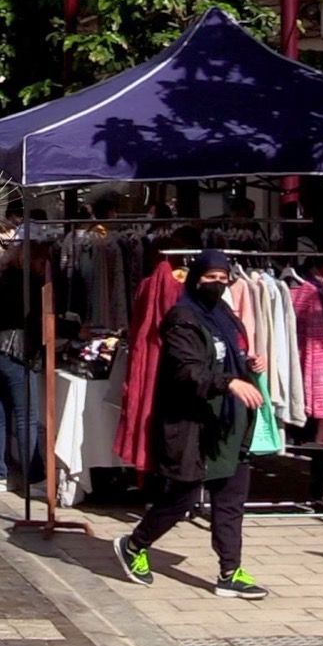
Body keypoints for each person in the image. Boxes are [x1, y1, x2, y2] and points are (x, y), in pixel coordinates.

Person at [114, 249, 269, 600]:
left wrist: (248, 364)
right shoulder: (182, 319)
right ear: (195, 277)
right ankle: (135, 545)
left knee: (230, 502)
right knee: (180, 499)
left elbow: (231, 353)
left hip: (229, 425)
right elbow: (186, 370)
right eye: (209, 277)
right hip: (193, 426)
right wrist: (227, 382)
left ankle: (230, 571)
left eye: (222, 278)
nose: (217, 284)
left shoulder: (226, 314)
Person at [0, 242, 47, 494]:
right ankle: (34, 477)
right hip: (15, 351)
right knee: (26, 416)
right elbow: (39, 320)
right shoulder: (30, 284)